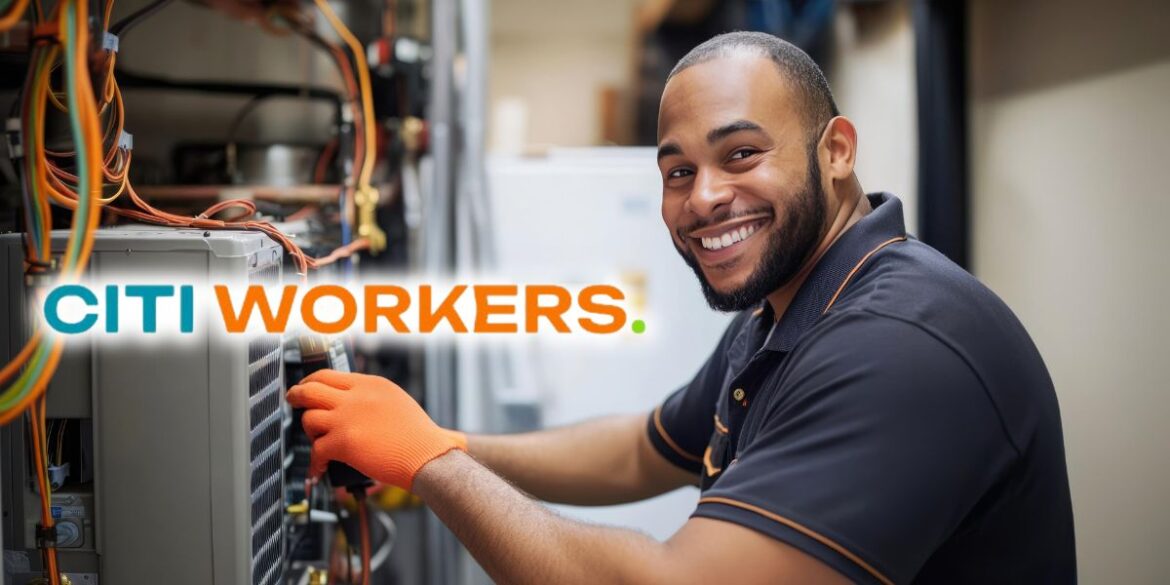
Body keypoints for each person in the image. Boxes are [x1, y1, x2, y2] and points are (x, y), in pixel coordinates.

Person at [287, 32, 1076, 584]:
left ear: (836, 150)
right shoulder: (789, 310)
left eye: (741, 154)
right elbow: (642, 449)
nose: (704, 198)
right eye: (676, 171)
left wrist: (432, 466)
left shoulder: (900, 345)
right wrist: (442, 439)